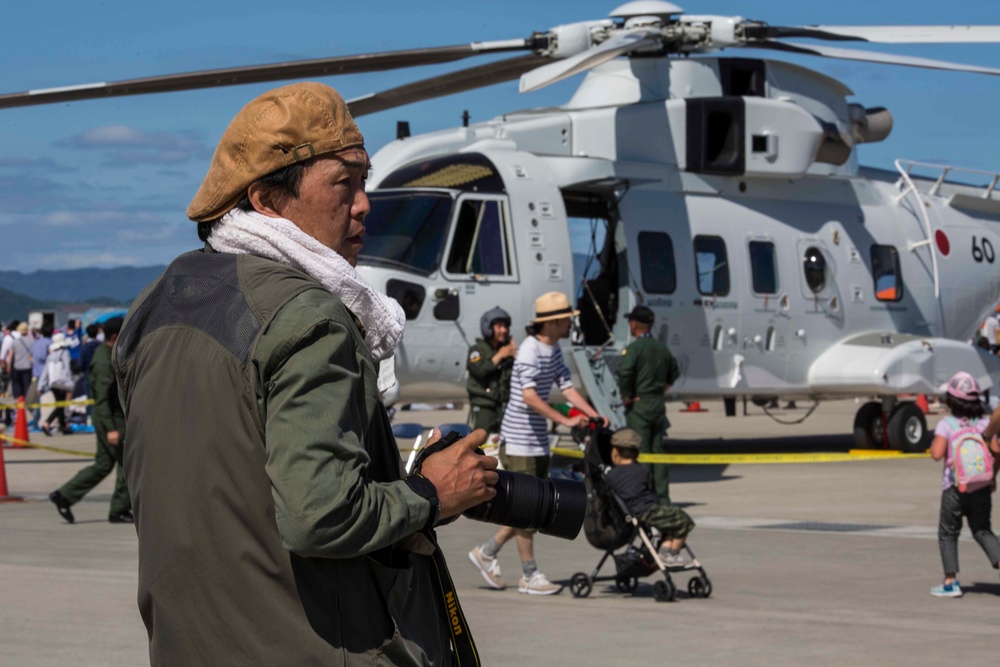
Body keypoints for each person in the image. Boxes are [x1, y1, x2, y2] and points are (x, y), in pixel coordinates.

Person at [111, 82, 498, 666]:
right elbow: (322, 515)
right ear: (267, 199)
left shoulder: (155, 303)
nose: (365, 204)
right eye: (345, 183)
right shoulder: (308, 315)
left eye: (365, 182)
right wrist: (429, 493)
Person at [469, 291, 606, 595]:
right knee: (529, 508)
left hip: (537, 440)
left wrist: (595, 414)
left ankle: (487, 552)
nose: (571, 324)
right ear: (553, 322)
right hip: (519, 441)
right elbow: (530, 397)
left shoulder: (554, 349)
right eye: (567, 320)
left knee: (535, 507)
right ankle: (529, 575)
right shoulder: (530, 350)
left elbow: (567, 388)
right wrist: (565, 421)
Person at [49, 317, 131, 523]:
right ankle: (119, 509)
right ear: (115, 336)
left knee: (103, 464)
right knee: (126, 463)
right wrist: (112, 429)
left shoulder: (108, 354)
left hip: (107, 418)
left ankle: (65, 495)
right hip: (110, 420)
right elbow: (101, 400)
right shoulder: (105, 362)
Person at [927, 372, 1000, 598]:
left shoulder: (946, 424)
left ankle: (951, 582)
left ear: (951, 400)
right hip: (981, 488)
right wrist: (992, 478)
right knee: (983, 531)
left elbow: (937, 453)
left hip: (954, 489)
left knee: (948, 533)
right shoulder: (985, 424)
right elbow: (996, 451)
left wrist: (934, 444)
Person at [616, 305, 680, 504]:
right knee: (659, 453)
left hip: (640, 406)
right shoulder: (662, 348)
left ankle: (644, 497)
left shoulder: (634, 349)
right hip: (658, 405)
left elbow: (625, 372)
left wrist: (627, 395)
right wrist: (661, 390)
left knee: (641, 452)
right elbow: (675, 371)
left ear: (634, 324)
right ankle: (663, 498)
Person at [605, 428, 695, 564]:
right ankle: (673, 552)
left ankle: (665, 551)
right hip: (648, 510)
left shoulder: (611, 475)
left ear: (615, 452)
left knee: (673, 521)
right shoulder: (642, 470)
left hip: (635, 511)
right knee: (684, 521)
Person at [466, 306, 516, 439]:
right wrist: (500, 355)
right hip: (484, 408)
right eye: (499, 326)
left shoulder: (507, 352)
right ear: (488, 327)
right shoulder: (477, 351)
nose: (504, 330)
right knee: (479, 443)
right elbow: (480, 371)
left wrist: (516, 356)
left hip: (503, 407)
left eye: (505, 326)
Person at [38, 332, 74, 435]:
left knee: (60, 404)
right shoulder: (65, 353)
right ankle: (47, 423)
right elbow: (67, 369)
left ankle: (63, 427)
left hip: (53, 383)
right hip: (62, 383)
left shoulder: (51, 355)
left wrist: (41, 385)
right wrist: (69, 383)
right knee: (60, 405)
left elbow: (45, 371)